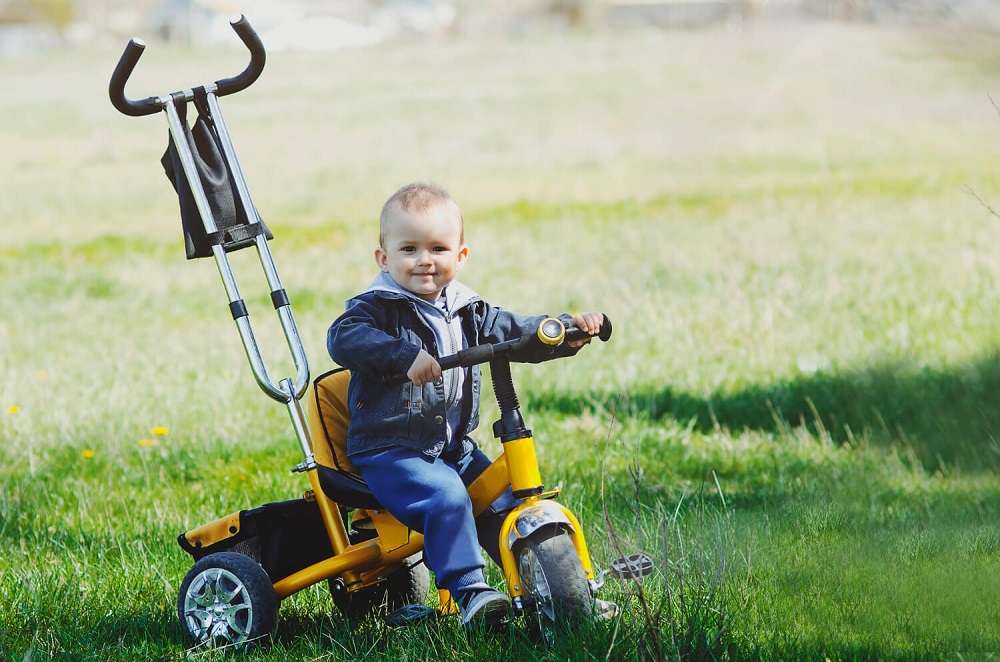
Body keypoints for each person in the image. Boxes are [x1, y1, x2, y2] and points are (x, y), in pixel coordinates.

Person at [326, 182, 605, 629]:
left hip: (451, 448)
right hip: (391, 450)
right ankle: (471, 592)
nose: (424, 260)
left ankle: (548, 587)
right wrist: (404, 355)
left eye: (438, 248)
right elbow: (343, 338)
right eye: (409, 249)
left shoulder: (468, 309)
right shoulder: (376, 309)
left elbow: (515, 331)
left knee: (501, 502)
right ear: (383, 258)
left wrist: (565, 330)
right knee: (448, 497)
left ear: (460, 256)